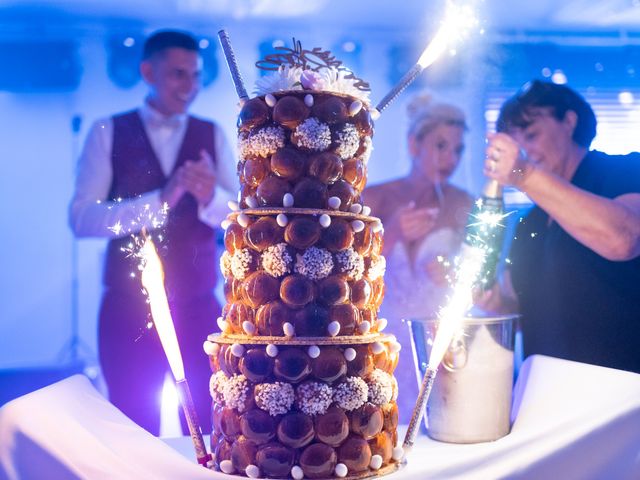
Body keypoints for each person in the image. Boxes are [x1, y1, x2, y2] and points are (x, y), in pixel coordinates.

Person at [69, 30, 237, 434]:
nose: (190, 86)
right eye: (179, 74)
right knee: (131, 427)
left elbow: (240, 219)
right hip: (128, 312)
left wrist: (207, 196)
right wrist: (160, 199)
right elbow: (82, 219)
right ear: (148, 71)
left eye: (195, 76)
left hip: (199, 309)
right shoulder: (106, 131)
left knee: (209, 428)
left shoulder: (212, 133)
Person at [481, 79, 640, 373]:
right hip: (543, 394)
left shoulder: (625, 170)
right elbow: (527, 308)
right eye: (517, 142)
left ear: (569, 121)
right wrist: (496, 302)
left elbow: (624, 238)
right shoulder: (530, 221)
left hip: (624, 393)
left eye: (531, 134)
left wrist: (524, 173)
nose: (524, 150)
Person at [364, 95, 473, 422]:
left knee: (441, 420)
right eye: (441, 146)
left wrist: (454, 273)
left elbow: (480, 276)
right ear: (414, 144)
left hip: (439, 335)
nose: (450, 159)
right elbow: (348, 272)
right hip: (384, 333)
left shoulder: (464, 204)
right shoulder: (375, 197)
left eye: (457, 150)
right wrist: (393, 232)